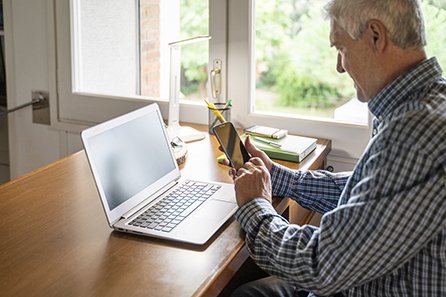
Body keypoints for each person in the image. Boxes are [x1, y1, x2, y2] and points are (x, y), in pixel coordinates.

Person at [229, 0, 446, 296]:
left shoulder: (415, 132)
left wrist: (256, 206)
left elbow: (322, 266)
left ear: (375, 36)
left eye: (340, 48)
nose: (340, 66)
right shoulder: (424, 105)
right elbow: (369, 193)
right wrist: (281, 179)